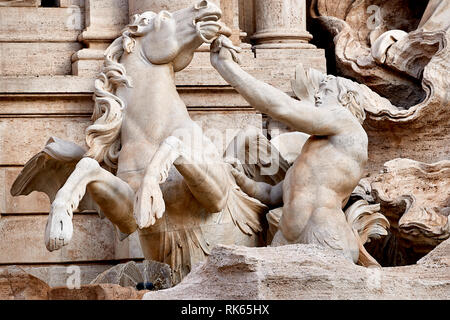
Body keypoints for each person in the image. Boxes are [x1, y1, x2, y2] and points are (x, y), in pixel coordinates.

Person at [210, 36, 368, 262]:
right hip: (284, 239)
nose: (316, 95)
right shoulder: (313, 151)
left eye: (325, 91)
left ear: (346, 99)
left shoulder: (347, 123)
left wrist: (226, 68)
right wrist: (237, 176)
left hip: (324, 237)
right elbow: (272, 195)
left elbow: (281, 108)